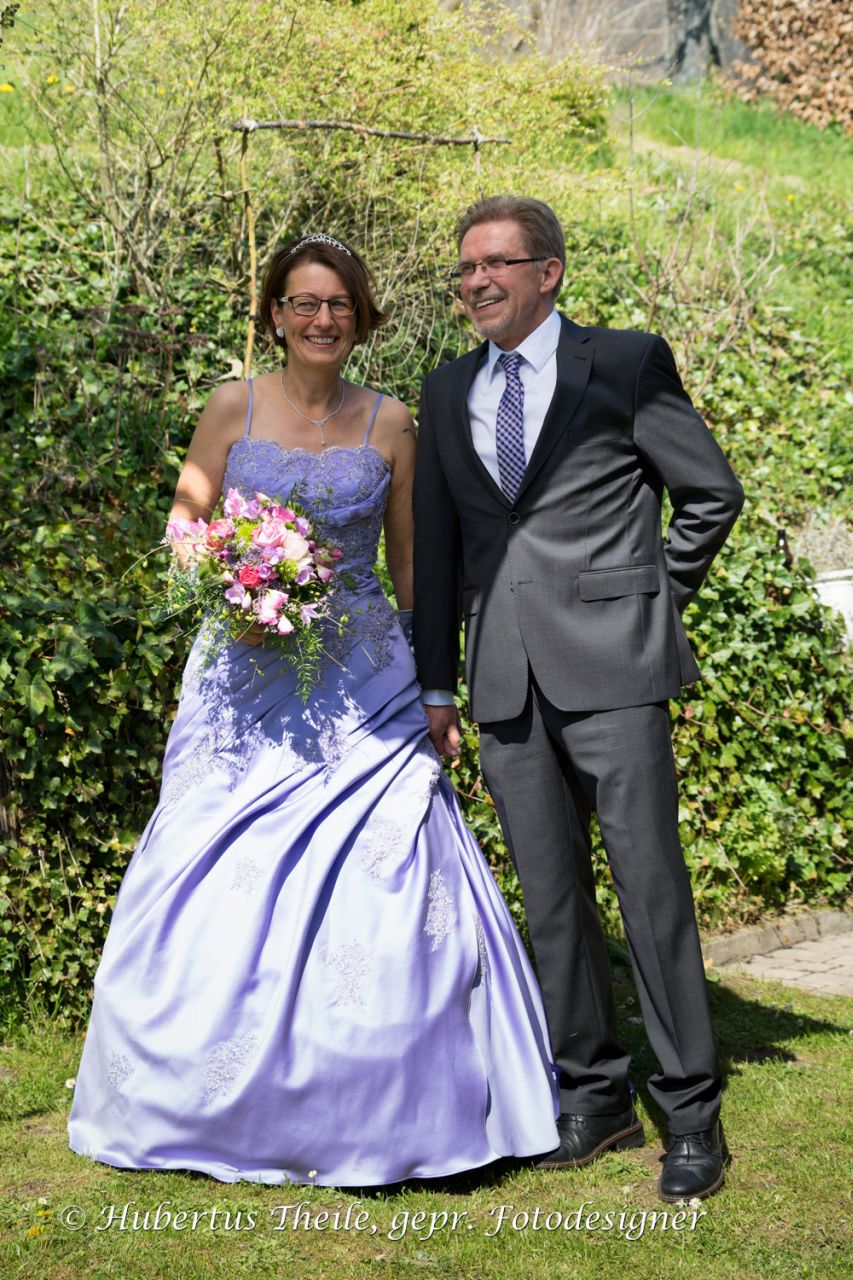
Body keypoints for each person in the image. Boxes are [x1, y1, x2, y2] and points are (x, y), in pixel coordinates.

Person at [68, 232, 560, 1186]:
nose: (321, 319)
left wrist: (433, 684)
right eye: (303, 302)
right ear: (275, 314)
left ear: (360, 316)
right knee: (210, 857)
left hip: (364, 675)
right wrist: (233, 576)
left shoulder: (393, 423)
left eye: (338, 304)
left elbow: (410, 561)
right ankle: (193, 1097)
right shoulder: (232, 406)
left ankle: (392, 1098)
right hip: (242, 670)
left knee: (393, 857)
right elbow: (185, 525)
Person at [412, 196, 745, 1202]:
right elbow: (440, 548)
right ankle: (593, 1097)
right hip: (504, 679)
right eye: (465, 267)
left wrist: (647, 600)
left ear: (548, 271)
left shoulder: (625, 363)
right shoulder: (446, 389)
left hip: (616, 673)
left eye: (496, 263)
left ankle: (690, 1113)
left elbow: (710, 493)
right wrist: (438, 682)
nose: (476, 280)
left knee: (651, 894)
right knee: (551, 903)